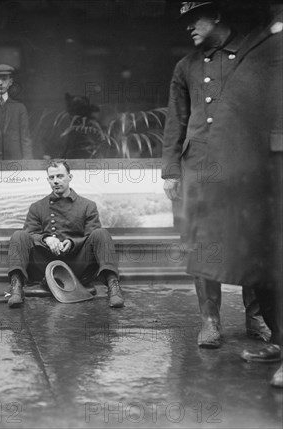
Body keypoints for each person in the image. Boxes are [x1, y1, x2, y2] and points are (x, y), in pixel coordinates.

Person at [161, 1, 269, 348]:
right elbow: (175, 121)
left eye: (195, 19)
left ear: (217, 16)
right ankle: (209, 320)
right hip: (200, 166)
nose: (188, 27)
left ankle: (259, 318)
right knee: (203, 241)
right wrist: (171, 171)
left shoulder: (253, 56)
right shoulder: (186, 66)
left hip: (246, 163)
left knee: (252, 238)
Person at [188, 2, 282, 387]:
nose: (189, 27)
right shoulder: (193, 65)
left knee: (267, 249)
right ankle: (262, 334)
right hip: (227, 168)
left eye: (196, 18)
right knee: (228, 247)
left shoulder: (260, 51)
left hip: (263, 166)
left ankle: (265, 326)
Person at [6, 159, 123, 309]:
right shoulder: (37, 207)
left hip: (77, 266)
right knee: (19, 236)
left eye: (60, 176)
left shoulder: (87, 206)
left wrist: (73, 242)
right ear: (48, 180)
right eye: (52, 177)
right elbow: (30, 234)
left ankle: (114, 288)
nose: (56, 181)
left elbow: (91, 237)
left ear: (70, 177)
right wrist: (46, 239)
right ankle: (16, 287)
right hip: (45, 266)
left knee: (101, 233)